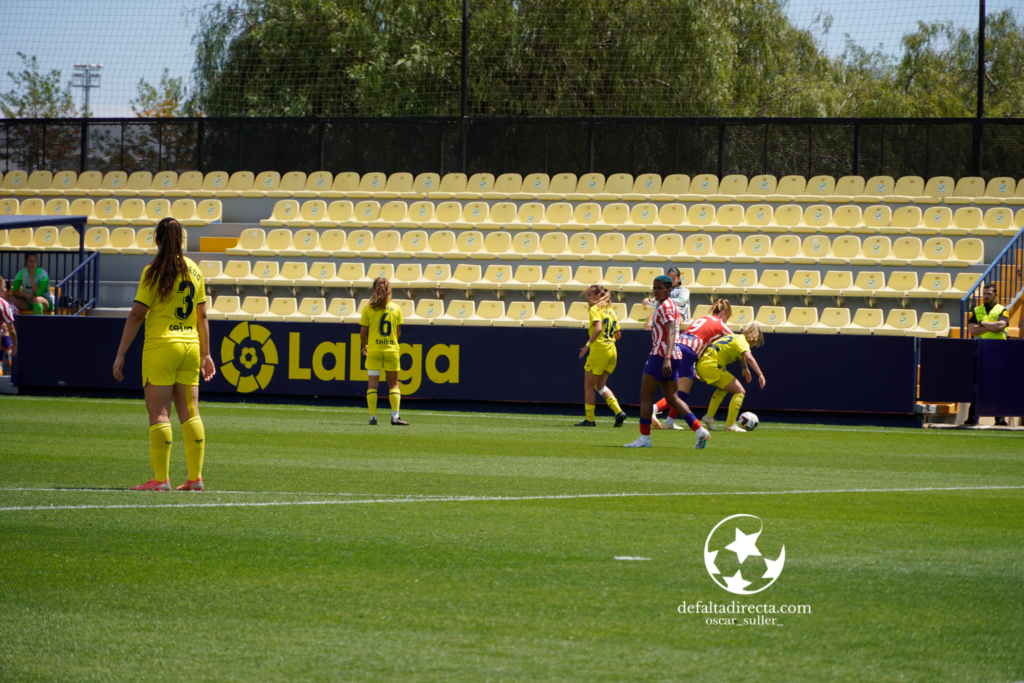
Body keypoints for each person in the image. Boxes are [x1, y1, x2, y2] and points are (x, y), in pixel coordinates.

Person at [113, 218, 215, 491]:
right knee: (191, 413)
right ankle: (195, 478)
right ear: (181, 241)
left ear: (156, 240)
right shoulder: (194, 270)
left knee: (159, 413)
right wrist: (206, 354)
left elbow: (137, 314)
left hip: (162, 346)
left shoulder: (152, 271)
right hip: (190, 346)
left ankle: (161, 479)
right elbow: (203, 315)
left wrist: (121, 354)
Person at [624, 276, 710, 449]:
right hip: (672, 354)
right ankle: (699, 430)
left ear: (669, 289)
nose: (656, 291)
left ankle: (644, 438)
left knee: (645, 395)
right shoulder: (668, 305)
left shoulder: (667, 306)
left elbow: (671, 333)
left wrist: (667, 358)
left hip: (662, 354)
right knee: (672, 398)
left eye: (660, 288)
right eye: (654, 288)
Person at [652, 299, 731, 430]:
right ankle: (654, 409)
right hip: (688, 351)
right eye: (727, 317)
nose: (726, 321)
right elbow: (734, 339)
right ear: (723, 313)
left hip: (679, 347)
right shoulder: (719, 323)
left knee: (683, 390)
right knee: (680, 393)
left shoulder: (702, 318)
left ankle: (669, 421)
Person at [698, 322, 767, 432]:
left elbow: (741, 354)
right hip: (712, 366)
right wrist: (760, 374)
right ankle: (730, 425)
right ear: (755, 338)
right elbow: (748, 357)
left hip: (703, 365)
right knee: (740, 391)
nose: (754, 345)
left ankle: (709, 417)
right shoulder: (743, 342)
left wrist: (745, 368)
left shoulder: (736, 337)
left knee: (723, 388)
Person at [576, 284, 627, 427]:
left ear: (598, 296)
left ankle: (590, 419)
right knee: (600, 385)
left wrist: (587, 345)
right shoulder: (610, 311)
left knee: (588, 386)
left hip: (599, 350)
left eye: (589, 295)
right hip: (612, 351)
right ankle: (619, 412)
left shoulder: (595, 309)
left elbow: (598, 328)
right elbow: (618, 335)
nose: (587, 298)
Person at [360, 276, 408, 426]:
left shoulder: (368, 308)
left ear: (374, 289)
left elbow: (362, 333)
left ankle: (373, 417)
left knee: (372, 384)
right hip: (391, 350)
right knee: (394, 384)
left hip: (374, 350)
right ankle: (395, 417)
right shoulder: (396, 308)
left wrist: (364, 345)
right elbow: (398, 332)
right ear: (389, 290)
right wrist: (391, 342)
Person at [967, 283, 1010, 426]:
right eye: (984, 294)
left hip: (998, 350)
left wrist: (982, 323)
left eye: (989, 294)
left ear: (996, 294)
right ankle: (972, 417)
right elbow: (972, 330)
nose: (985, 296)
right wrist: (991, 326)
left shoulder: (1002, 310)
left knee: (998, 385)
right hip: (979, 350)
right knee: (976, 385)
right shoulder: (976, 310)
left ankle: (1000, 418)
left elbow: (1001, 326)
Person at [0, 276, 18, 366]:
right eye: (4, 286)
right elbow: (12, 330)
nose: (5, 289)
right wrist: (14, 345)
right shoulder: (3, 304)